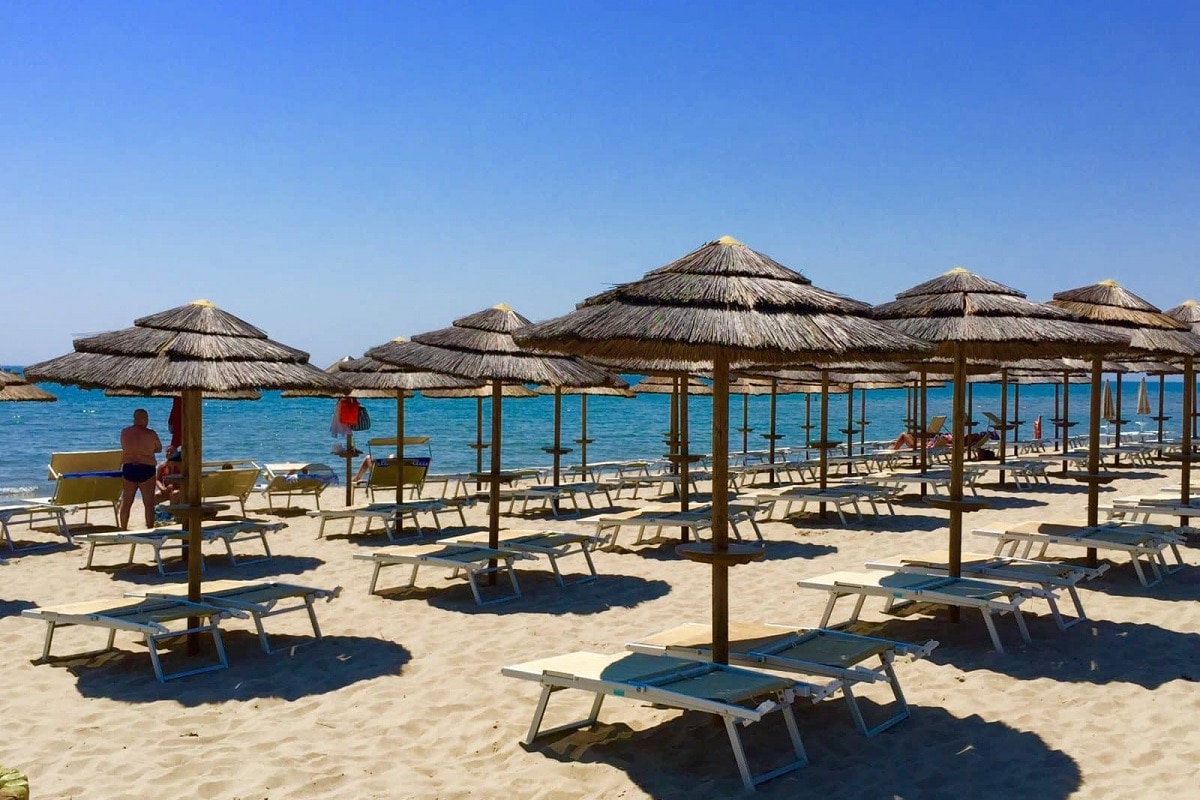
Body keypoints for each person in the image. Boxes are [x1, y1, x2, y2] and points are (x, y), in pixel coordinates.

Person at [119, 408, 162, 529]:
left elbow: (124, 447)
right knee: (148, 503)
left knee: (127, 500)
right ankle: (149, 527)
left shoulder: (124, 432)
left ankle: (123, 528)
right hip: (146, 467)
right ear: (143, 419)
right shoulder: (150, 433)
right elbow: (159, 448)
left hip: (129, 467)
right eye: (147, 418)